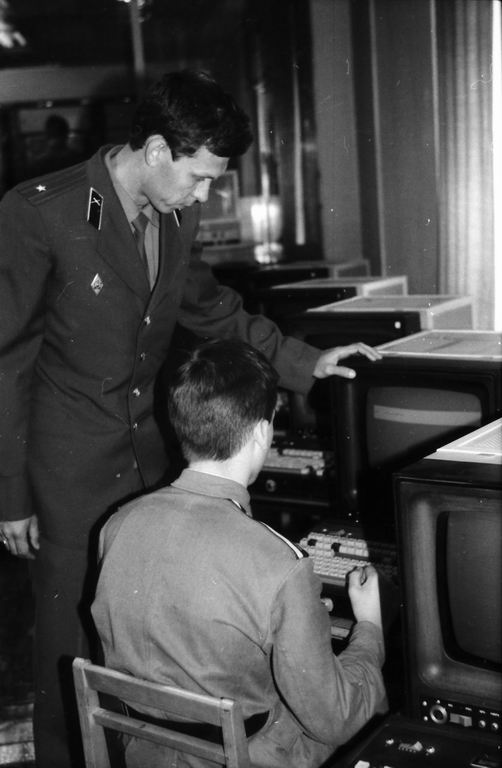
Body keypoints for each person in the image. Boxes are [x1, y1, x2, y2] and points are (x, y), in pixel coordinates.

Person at [0, 69, 380, 768]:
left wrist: (307, 362)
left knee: (150, 651)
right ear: (155, 150)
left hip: (148, 461)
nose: (205, 196)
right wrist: (11, 495)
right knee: (68, 656)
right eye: (200, 177)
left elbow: (211, 309)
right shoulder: (41, 213)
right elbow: (7, 363)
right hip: (64, 473)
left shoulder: (175, 213)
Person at [92, 338, 387, 768]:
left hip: (141, 753)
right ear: (262, 432)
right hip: (240, 758)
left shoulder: (118, 524)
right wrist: (371, 628)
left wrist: (290, 615)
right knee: (373, 702)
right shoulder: (279, 563)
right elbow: (335, 718)